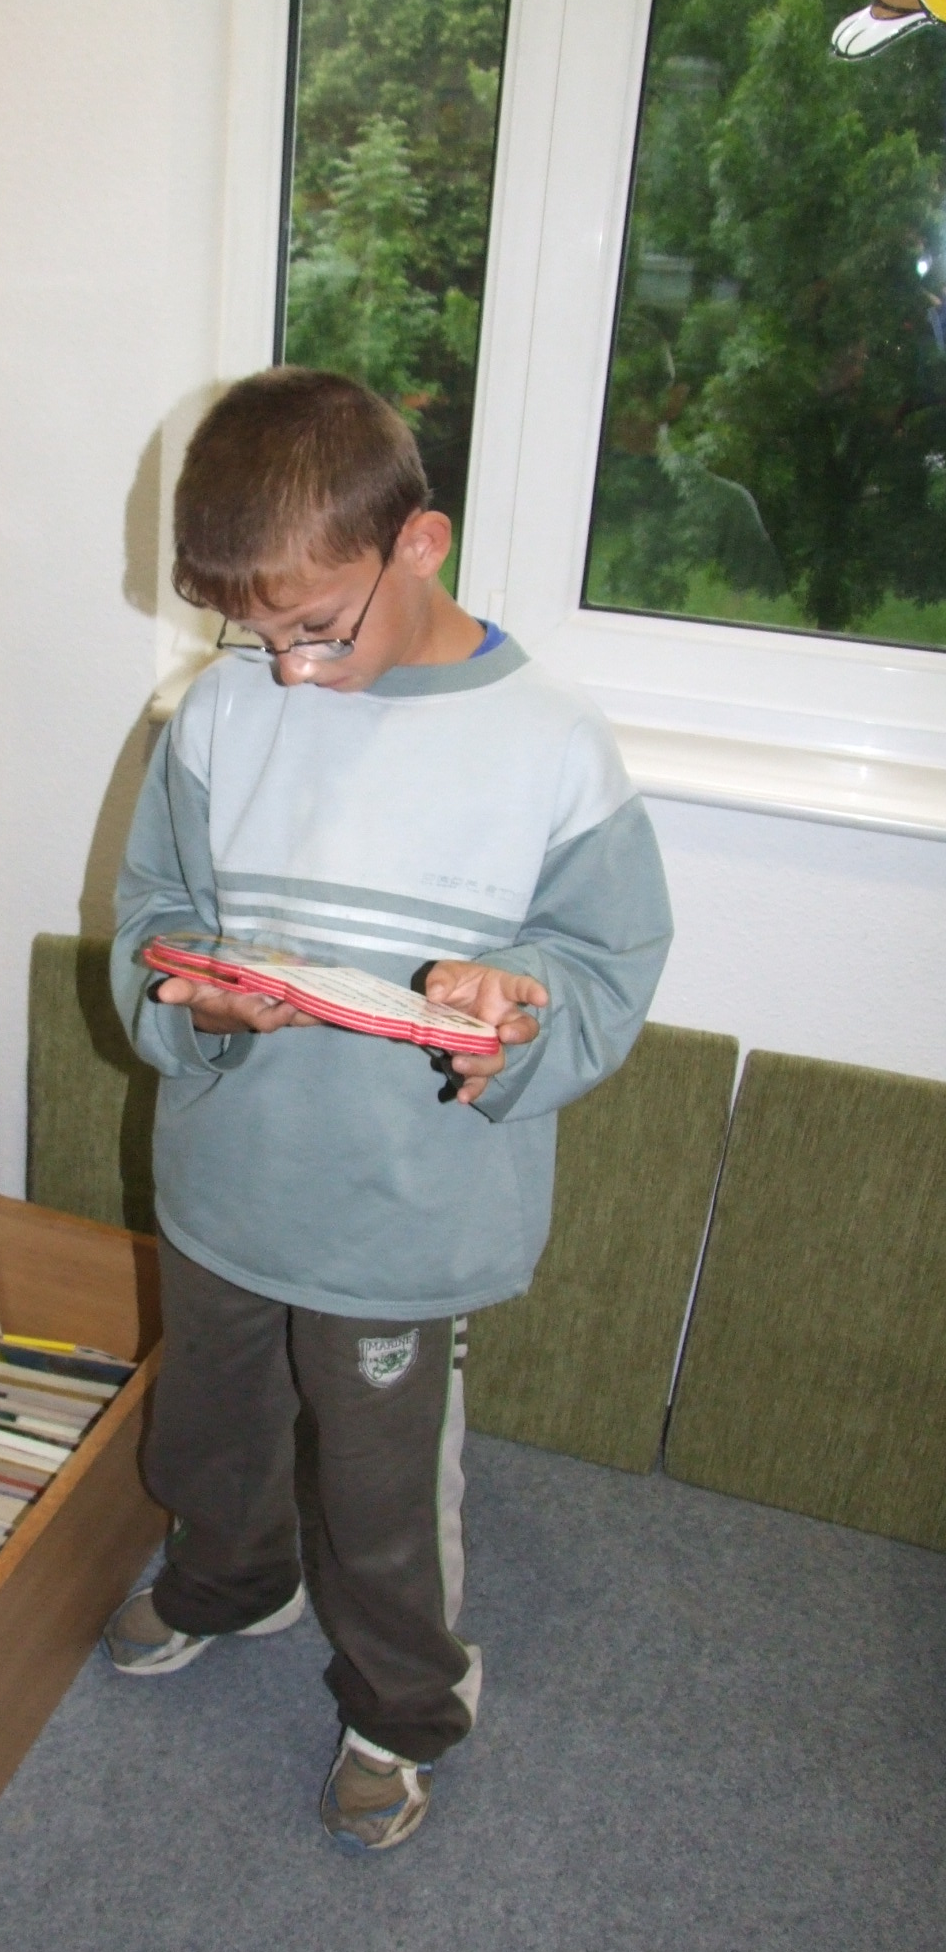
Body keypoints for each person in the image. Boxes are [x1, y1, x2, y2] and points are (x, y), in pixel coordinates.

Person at [105, 368, 673, 1854]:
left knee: (383, 1491)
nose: (287, 670)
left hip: (404, 1216)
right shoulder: (218, 711)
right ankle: (234, 1582)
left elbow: (606, 963)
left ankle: (403, 1701)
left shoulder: (549, 740)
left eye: (314, 628)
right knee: (212, 1428)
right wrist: (193, 997)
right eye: (256, 636)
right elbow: (152, 914)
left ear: (419, 544)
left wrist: (518, 1008)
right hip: (228, 1177)